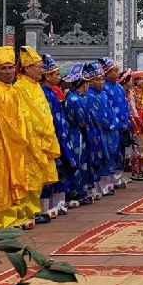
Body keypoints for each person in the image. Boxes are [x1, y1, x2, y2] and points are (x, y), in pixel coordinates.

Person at [0, 46, 29, 234]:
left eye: (11, 68)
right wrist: (20, 139)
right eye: (4, 68)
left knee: (11, 181)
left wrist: (20, 138)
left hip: (14, 143)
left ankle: (10, 222)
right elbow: (1, 123)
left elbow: (19, 119)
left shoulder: (13, 92)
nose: (8, 72)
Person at [13, 46, 60, 226]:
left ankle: (34, 210)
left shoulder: (36, 87)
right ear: (27, 68)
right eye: (39, 67)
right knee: (28, 177)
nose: (42, 70)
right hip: (29, 139)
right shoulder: (19, 88)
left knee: (38, 177)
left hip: (43, 137)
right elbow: (24, 116)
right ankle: (26, 213)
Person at [40, 54, 77, 218]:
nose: (59, 77)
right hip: (51, 136)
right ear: (47, 76)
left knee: (61, 170)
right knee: (52, 172)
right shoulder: (43, 93)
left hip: (60, 135)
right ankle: (47, 207)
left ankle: (58, 204)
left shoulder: (53, 92)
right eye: (56, 74)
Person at [62, 63, 97, 206]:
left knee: (76, 163)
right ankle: (78, 193)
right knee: (79, 163)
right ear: (83, 84)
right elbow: (82, 121)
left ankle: (76, 192)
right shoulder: (76, 100)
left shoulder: (71, 97)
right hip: (78, 135)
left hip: (73, 133)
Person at [86, 61, 117, 198]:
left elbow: (111, 111)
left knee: (109, 157)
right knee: (99, 157)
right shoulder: (89, 95)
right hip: (98, 131)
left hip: (109, 131)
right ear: (90, 81)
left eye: (102, 79)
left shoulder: (104, 94)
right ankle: (97, 188)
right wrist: (106, 124)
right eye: (97, 79)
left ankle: (107, 186)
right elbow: (95, 115)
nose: (101, 82)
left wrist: (113, 122)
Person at [99, 57, 131, 190]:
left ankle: (117, 179)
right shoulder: (104, 88)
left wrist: (127, 121)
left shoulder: (119, 87)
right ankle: (109, 181)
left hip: (122, 125)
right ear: (107, 73)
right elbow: (108, 109)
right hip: (112, 126)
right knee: (111, 152)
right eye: (115, 71)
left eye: (118, 71)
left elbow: (125, 105)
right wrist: (116, 123)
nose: (118, 73)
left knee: (120, 153)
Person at [128, 71, 143, 181]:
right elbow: (132, 108)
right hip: (136, 120)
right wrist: (139, 122)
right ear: (136, 81)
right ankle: (135, 170)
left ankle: (142, 169)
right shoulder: (132, 92)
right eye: (140, 79)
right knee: (136, 145)